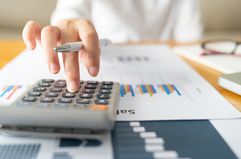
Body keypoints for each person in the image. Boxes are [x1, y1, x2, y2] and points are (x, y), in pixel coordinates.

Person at [22, 0, 202, 92]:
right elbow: (69, 13)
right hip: (104, 59)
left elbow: (191, 41)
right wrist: (64, 27)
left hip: (165, 64)